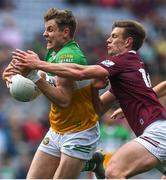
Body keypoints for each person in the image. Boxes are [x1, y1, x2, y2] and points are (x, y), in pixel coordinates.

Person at [10, 20, 166, 179]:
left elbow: (80, 72)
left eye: (114, 36)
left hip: (157, 131)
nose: (108, 40)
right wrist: (95, 89)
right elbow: (97, 109)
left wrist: (38, 64)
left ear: (128, 42)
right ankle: (92, 163)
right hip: (156, 130)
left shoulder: (124, 61)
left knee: (114, 171)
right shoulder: (131, 70)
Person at [2, 8, 100, 179]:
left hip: (79, 132)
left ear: (65, 32)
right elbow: (49, 84)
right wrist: (18, 79)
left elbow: (63, 100)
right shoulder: (53, 53)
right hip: (57, 129)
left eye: (50, 29)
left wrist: (33, 75)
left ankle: (89, 162)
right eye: (45, 29)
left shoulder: (69, 55)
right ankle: (89, 162)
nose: (44, 34)